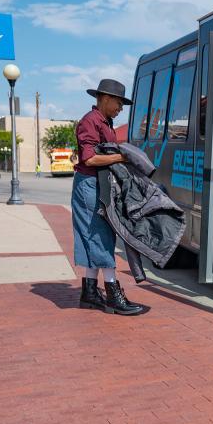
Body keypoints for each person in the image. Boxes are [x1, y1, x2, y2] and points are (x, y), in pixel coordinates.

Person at [72, 79, 143, 315]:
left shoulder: (105, 122)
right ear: (104, 98)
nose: (120, 108)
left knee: (96, 235)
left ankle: (90, 292)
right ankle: (113, 292)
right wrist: (122, 157)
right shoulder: (90, 121)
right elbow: (89, 158)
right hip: (89, 185)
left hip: (97, 185)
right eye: (119, 102)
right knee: (101, 236)